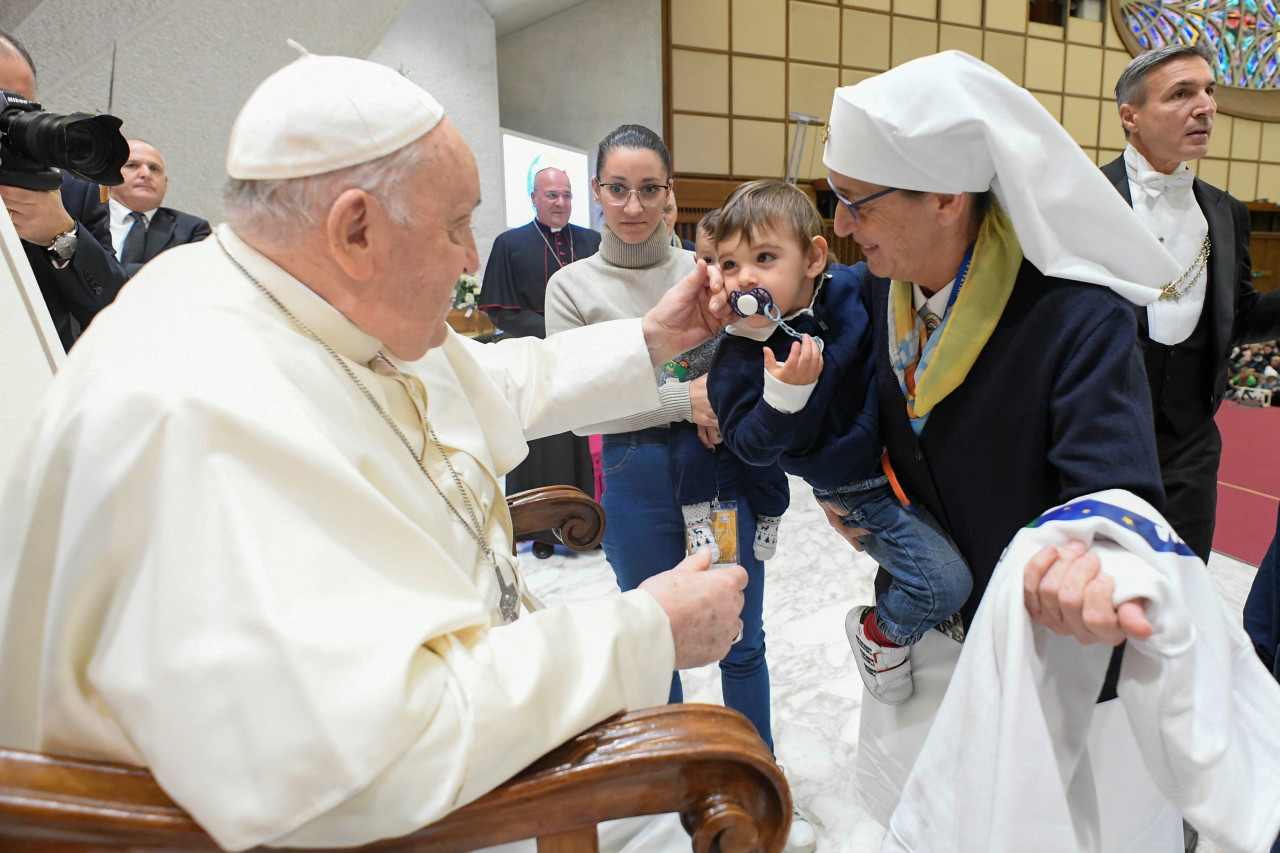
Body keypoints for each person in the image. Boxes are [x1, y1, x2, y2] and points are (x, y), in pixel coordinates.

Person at [0, 48, 749, 852]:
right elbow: (370, 754)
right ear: (354, 227)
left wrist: (652, 337)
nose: (472, 258)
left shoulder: (292, 291)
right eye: (457, 224)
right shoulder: (198, 404)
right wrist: (646, 629)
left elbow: (492, 377)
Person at [820, 50, 1193, 848]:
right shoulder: (869, 298)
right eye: (835, 198)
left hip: (1053, 677)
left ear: (949, 196)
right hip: (926, 648)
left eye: (857, 202)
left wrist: (1098, 559)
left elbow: (1117, 494)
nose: (840, 224)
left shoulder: (1075, 320)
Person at [544, 124, 816, 853]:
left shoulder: (706, 271)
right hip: (631, 472)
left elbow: (751, 356)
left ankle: (757, 776)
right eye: (617, 188)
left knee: (738, 627)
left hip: (717, 467)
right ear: (596, 193)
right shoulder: (570, 287)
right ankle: (670, 787)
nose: (633, 204)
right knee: (650, 630)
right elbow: (576, 403)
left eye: (650, 188)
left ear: (670, 195)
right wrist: (681, 396)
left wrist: (700, 395)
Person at [707, 179, 970, 706]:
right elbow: (749, 446)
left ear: (813, 258)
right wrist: (782, 396)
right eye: (729, 264)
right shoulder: (738, 358)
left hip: (907, 460)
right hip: (857, 488)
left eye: (764, 257)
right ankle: (878, 636)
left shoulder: (851, 289)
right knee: (943, 582)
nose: (746, 278)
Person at [1101, 43, 1280, 562]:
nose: (1205, 106)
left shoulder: (1228, 213)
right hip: (1098, 430)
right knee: (1100, 593)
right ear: (1130, 116)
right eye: (1181, 93)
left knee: (1183, 584)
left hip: (1192, 441)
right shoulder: (1086, 198)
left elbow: (1239, 317)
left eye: (1208, 91)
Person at [477, 164, 602, 558]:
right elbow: (499, 311)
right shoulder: (509, 244)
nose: (560, 202)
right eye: (551, 195)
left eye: (566, 195)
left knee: (579, 441)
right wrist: (555, 328)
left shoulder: (593, 241)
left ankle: (586, 526)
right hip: (534, 363)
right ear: (534, 198)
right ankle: (542, 533)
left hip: (579, 362)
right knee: (539, 445)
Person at [660, 208, 790, 565]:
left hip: (746, 413)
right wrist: (682, 395)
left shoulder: (760, 311)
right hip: (691, 417)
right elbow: (672, 364)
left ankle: (771, 513)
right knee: (686, 454)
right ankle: (698, 522)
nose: (716, 272)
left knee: (763, 456)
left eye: (728, 262)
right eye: (707, 260)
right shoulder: (685, 307)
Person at [0, 29, 127, 352]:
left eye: (20, 111)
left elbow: (116, 315)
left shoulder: (69, 191)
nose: (10, 126)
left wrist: (61, 237)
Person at [108, 138, 212, 275]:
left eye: (154, 169)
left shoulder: (192, 230)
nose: (146, 174)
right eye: (132, 165)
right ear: (107, 176)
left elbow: (192, 278)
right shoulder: (83, 217)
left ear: (165, 183)